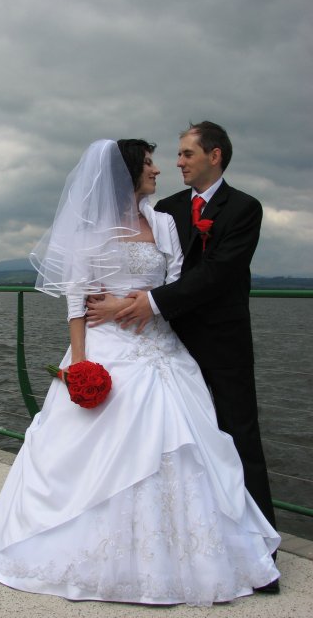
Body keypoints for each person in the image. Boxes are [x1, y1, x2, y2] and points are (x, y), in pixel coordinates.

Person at [0, 138, 280, 606]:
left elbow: (175, 281)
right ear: (127, 172)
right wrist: (81, 364)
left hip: (160, 344)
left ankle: (188, 555)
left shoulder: (163, 221)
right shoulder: (89, 229)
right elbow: (77, 301)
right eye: (150, 163)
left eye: (170, 159)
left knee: (187, 442)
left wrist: (130, 305)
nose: (159, 169)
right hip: (106, 346)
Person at [86, 123, 278, 593]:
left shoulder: (245, 208)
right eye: (175, 154)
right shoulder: (165, 210)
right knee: (179, 444)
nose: (177, 163)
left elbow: (219, 273)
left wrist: (147, 304)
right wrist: (129, 303)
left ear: (215, 155)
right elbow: (156, 265)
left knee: (238, 438)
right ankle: (183, 541)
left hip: (222, 341)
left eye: (187, 154)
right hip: (169, 338)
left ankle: (260, 552)